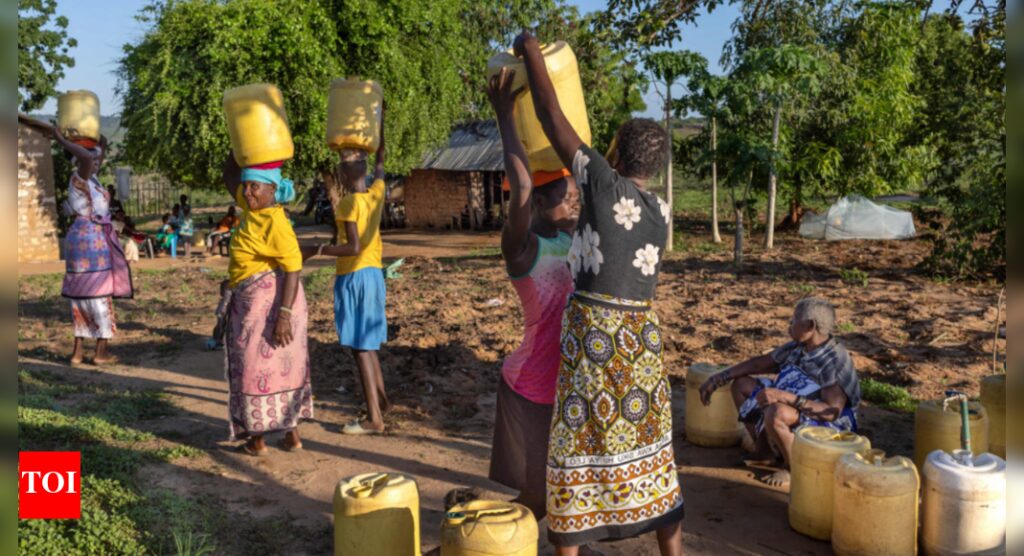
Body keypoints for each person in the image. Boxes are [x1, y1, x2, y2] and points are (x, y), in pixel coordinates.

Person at [513, 30, 684, 555]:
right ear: (656, 168)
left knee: (576, 442)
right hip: (642, 341)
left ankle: (569, 545)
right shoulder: (662, 212)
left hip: (596, 337)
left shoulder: (603, 185)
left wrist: (531, 49)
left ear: (613, 152)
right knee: (648, 440)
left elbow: (548, 113)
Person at [485, 68, 579, 521]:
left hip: (566, 386)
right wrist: (506, 115)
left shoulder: (577, 239)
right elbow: (521, 184)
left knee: (563, 490)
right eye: (566, 200)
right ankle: (462, 544)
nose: (575, 205)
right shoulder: (524, 250)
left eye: (577, 198)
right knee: (538, 500)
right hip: (532, 387)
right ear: (538, 205)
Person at [698, 297, 861, 489]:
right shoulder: (798, 347)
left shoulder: (833, 362)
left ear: (810, 325)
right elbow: (760, 363)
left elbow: (831, 411)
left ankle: (794, 468)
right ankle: (764, 452)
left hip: (829, 423)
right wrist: (720, 377)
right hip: (795, 404)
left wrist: (785, 397)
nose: (789, 325)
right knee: (742, 385)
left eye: (794, 320)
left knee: (777, 412)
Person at [19, 115, 133, 365]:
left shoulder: (90, 178)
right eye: (90, 157)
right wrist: (60, 138)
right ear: (79, 159)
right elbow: (86, 156)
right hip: (90, 241)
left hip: (83, 239)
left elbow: (100, 143)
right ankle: (101, 353)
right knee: (99, 294)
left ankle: (78, 353)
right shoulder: (80, 177)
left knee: (82, 295)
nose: (96, 160)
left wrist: (87, 131)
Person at [303, 105, 389, 435]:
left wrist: (316, 250)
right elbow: (380, 162)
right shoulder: (376, 194)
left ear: (341, 177)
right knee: (368, 345)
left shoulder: (348, 204)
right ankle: (380, 403)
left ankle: (373, 420)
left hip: (354, 275)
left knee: (361, 348)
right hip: (374, 275)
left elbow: (351, 247)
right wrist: (378, 127)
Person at [221, 152, 312, 455]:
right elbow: (229, 175)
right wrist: (240, 148)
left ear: (272, 190)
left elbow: (293, 267)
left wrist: (283, 315)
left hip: (274, 304)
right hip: (254, 300)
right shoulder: (252, 208)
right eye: (246, 188)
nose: (248, 193)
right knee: (276, 368)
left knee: (256, 368)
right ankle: (291, 435)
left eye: (255, 188)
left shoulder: (275, 221)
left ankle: (258, 439)